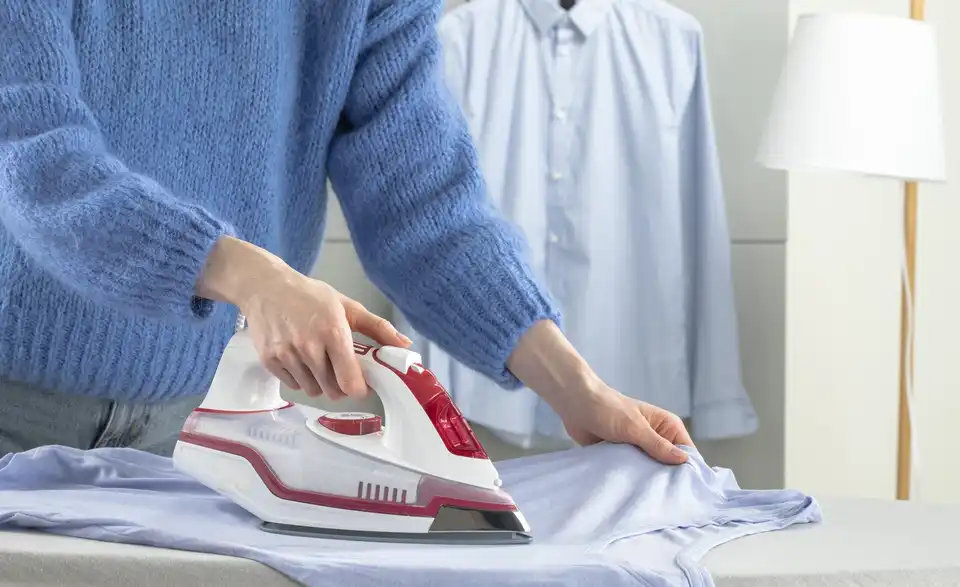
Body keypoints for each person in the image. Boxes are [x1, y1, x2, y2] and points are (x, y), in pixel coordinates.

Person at [0, 1, 692, 462]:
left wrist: (575, 387)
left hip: (203, 423)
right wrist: (251, 278)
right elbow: (33, 154)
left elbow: (423, 203)